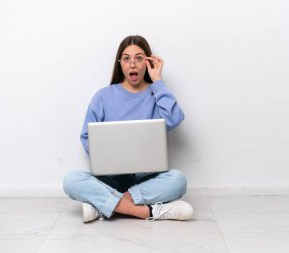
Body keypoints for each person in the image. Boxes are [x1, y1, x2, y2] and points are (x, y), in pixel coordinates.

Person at [63, 35, 194, 223]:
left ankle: (103, 207)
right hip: (109, 179)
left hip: (146, 179)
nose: (133, 64)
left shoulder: (156, 94)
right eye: (126, 59)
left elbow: (174, 120)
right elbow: (87, 139)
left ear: (148, 62)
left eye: (139, 58)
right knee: (71, 180)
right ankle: (148, 212)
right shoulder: (103, 96)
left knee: (178, 180)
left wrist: (158, 82)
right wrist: (110, 155)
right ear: (120, 64)